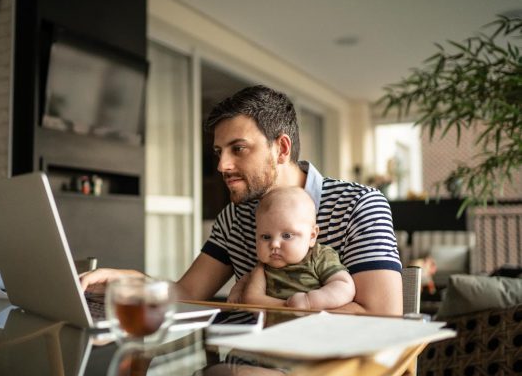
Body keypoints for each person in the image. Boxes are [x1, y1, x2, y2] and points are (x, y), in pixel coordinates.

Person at [81, 85, 403, 316]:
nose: (222, 166)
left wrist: (271, 308)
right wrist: (133, 282)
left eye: (239, 148)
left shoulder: (359, 205)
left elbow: (384, 316)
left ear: (282, 149)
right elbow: (188, 295)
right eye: (220, 152)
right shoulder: (233, 219)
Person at [244, 186, 355, 310]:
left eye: (287, 236)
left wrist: (310, 301)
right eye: (265, 237)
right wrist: (238, 289)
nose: (274, 244)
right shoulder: (262, 267)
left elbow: (344, 285)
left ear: (312, 236)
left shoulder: (319, 256)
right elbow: (251, 299)